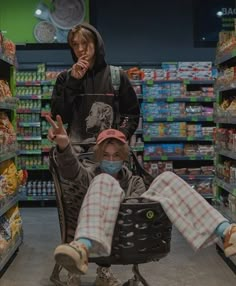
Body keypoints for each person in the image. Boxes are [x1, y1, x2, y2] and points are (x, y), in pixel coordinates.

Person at [47, 115, 236, 285]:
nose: (111, 160)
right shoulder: (89, 176)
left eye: (116, 155)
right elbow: (71, 170)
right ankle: (82, 248)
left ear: (124, 157)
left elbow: (141, 213)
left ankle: (226, 232)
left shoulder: (135, 181)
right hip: (98, 233)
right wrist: (64, 146)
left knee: (166, 178)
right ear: (98, 156)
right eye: (105, 155)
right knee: (103, 180)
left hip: (129, 235)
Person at [51, 22, 140, 152]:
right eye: (75, 44)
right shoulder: (65, 78)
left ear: (96, 43)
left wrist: (120, 136)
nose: (80, 49)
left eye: (85, 43)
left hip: (110, 153)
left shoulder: (117, 76)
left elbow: (131, 114)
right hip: (76, 155)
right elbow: (59, 116)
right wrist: (73, 83)